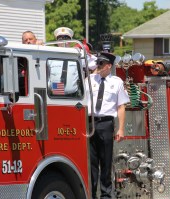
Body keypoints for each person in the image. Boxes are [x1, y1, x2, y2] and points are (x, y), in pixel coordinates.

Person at [85, 52, 130, 199]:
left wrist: (121, 128)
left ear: (109, 66)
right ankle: (91, 194)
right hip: (90, 122)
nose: (99, 66)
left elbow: (121, 106)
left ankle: (105, 195)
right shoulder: (89, 80)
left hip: (106, 123)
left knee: (105, 162)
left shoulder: (117, 82)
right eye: (98, 63)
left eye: (101, 64)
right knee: (91, 162)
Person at [48, 27, 79, 95]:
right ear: (56, 41)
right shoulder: (50, 56)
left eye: (66, 38)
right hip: (55, 95)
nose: (63, 41)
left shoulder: (77, 54)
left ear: (71, 41)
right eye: (60, 38)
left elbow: (93, 64)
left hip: (74, 96)